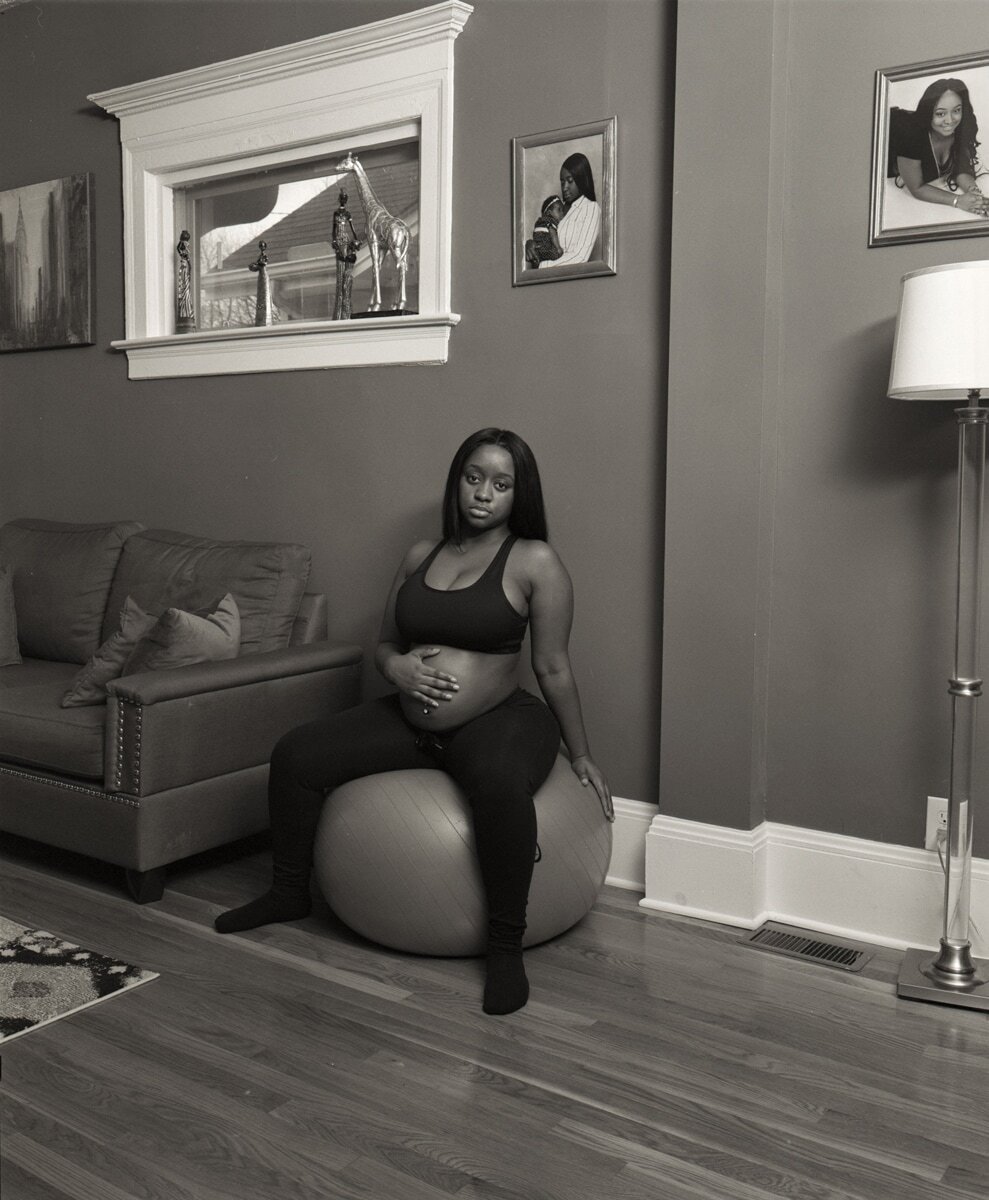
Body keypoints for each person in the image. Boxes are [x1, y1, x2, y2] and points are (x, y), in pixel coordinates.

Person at [216, 428, 613, 1017]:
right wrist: (398, 669)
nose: (483, 493)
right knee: (296, 754)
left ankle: (505, 950)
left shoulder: (534, 560)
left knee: (500, 787)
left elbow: (553, 667)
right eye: (473, 477)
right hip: (412, 721)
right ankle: (287, 892)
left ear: (519, 494)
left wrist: (581, 754)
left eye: (501, 484)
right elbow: (383, 646)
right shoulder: (419, 554)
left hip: (499, 720)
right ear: (456, 481)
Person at [887, 77, 988, 215]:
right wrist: (957, 200)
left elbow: (961, 168)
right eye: (940, 113)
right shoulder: (911, 136)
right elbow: (916, 188)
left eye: (956, 110)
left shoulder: (960, 129)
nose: (950, 120)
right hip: (886, 126)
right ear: (928, 113)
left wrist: (974, 195)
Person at [534, 152, 601, 268]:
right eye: (562, 181)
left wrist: (542, 267)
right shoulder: (556, 209)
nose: (564, 187)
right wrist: (530, 244)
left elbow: (580, 257)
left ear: (581, 180)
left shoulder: (591, 208)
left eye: (570, 181)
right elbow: (543, 233)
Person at [526, 194, 566, 265]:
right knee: (556, 254)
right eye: (559, 210)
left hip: (538, 246)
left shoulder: (539, 221)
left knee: (539, 254)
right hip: (546, 244)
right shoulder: (550, 221)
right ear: (549, 213)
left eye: (563, 210)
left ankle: (537, 259)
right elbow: (553, 233)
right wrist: (558, 248)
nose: (562, 213)